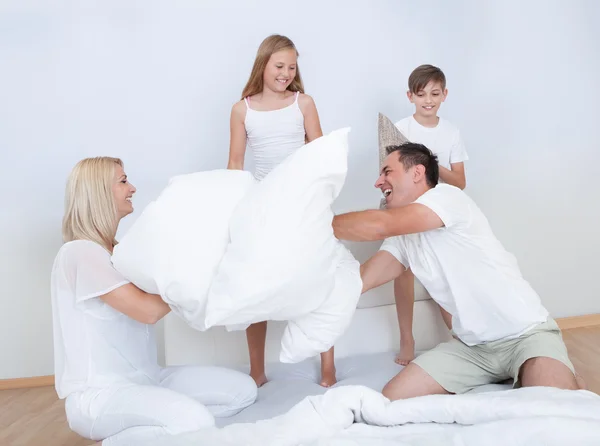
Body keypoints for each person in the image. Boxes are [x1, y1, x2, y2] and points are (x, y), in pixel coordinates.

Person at [331, 143, 582, 401]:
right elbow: (361, 280)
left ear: (417, 173)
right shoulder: (402, 239)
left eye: (387, 172)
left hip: (525, 335)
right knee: (393, 397)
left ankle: (535, 368)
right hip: (473, 350)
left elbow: (379, 225)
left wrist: (315, 223)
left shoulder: (447, 198)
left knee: (558, 404)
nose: (378, 182)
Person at [51, 157, 257, 446]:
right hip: (100, 395)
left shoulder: (120, 252)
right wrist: (200, 269)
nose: (132, 187)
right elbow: (147, 311)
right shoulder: (79, 253)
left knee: (243, 391)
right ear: (99, 191)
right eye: (123, 181)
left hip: (150, 379)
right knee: (195, 421)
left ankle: (161, 429)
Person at [227, 34, 337, 388]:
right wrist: (231, 208)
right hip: (262, 205)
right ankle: (256, 371)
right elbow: (235, 162)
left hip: (302, 202)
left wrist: (320, 197)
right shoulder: (242, 109)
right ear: (263, 64)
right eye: (279, 66)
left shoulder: (303, 103)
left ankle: (328, 367)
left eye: (292, 67)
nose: (286, 73)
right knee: (255, 284)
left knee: (317, 276)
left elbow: (319, 154)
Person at [392, 64, 469, 366]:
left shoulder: (451, 133)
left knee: (445, 271)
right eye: (421, 94)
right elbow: (391, 173)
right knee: (404, 270)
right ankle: (407, 338)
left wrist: (431, 162)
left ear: (444, 95)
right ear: (410, 96)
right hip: (407, 209)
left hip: (441, 211)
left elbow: (461, 181)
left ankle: (459, 336)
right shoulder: (400, 128)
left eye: (435, 94)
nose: (428, 100)